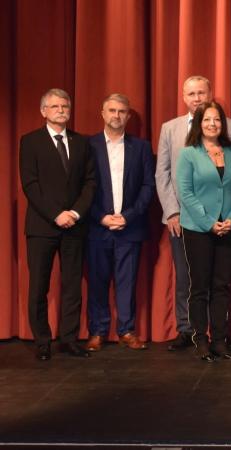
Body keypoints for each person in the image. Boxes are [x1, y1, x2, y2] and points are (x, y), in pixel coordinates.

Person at [155, 75, 231, 351]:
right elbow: (164, 174)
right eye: (191, 94)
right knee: (189, 279)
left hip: (226, 222)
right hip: (186, 219)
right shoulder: (171, 130)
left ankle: (219, 335)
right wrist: (173, 212)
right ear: (184, 97)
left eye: (201, 93)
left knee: (220, 283)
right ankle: (189, 331)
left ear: (210, 94)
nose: (196, 98)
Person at [19, 88, 96, 361]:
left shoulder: (81, 142)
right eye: (55, 106)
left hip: (74, 226)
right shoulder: (30, 141)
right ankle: (42, 341)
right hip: (42, 227)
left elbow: (90, 182)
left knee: (72, 286)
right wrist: (56, 215)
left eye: (65, 106)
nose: (61, 110)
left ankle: (69, 339)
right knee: (39, 286)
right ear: (44, 111)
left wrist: (74, 213)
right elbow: (31, 185)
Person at [176, 101, 231, 362]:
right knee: (199, 286)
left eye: (217, 119)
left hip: (228, 228)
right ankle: (200, 339)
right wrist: (208, 222)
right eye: (206, 119)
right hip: (198, 229)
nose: (212, 124)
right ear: (199, 123)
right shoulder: (188, 154)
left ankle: (219, 339)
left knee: (222, 286)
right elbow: (185, 192)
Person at [86, 93, 154, 352]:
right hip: (97, 226)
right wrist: (101, 217)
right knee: (97, 282)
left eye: (122, 111)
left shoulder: (142, 148)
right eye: (112, 110)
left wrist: (128, 216)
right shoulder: (88, 146)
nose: (117, 115)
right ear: (103, 114)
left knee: (127, 282)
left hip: (130, 227)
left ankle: (126, 330)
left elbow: (148, 186)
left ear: (128, 116)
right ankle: (98, 331)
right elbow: (81, 187)